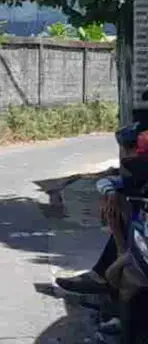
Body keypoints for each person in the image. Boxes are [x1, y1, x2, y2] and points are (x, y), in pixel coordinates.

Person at [56, 123, 147, 295]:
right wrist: (111, 194)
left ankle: (103, 275)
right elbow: (108, 183)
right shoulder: (138, 177)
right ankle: (103, 275)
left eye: (129, 149)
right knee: (116, 204)